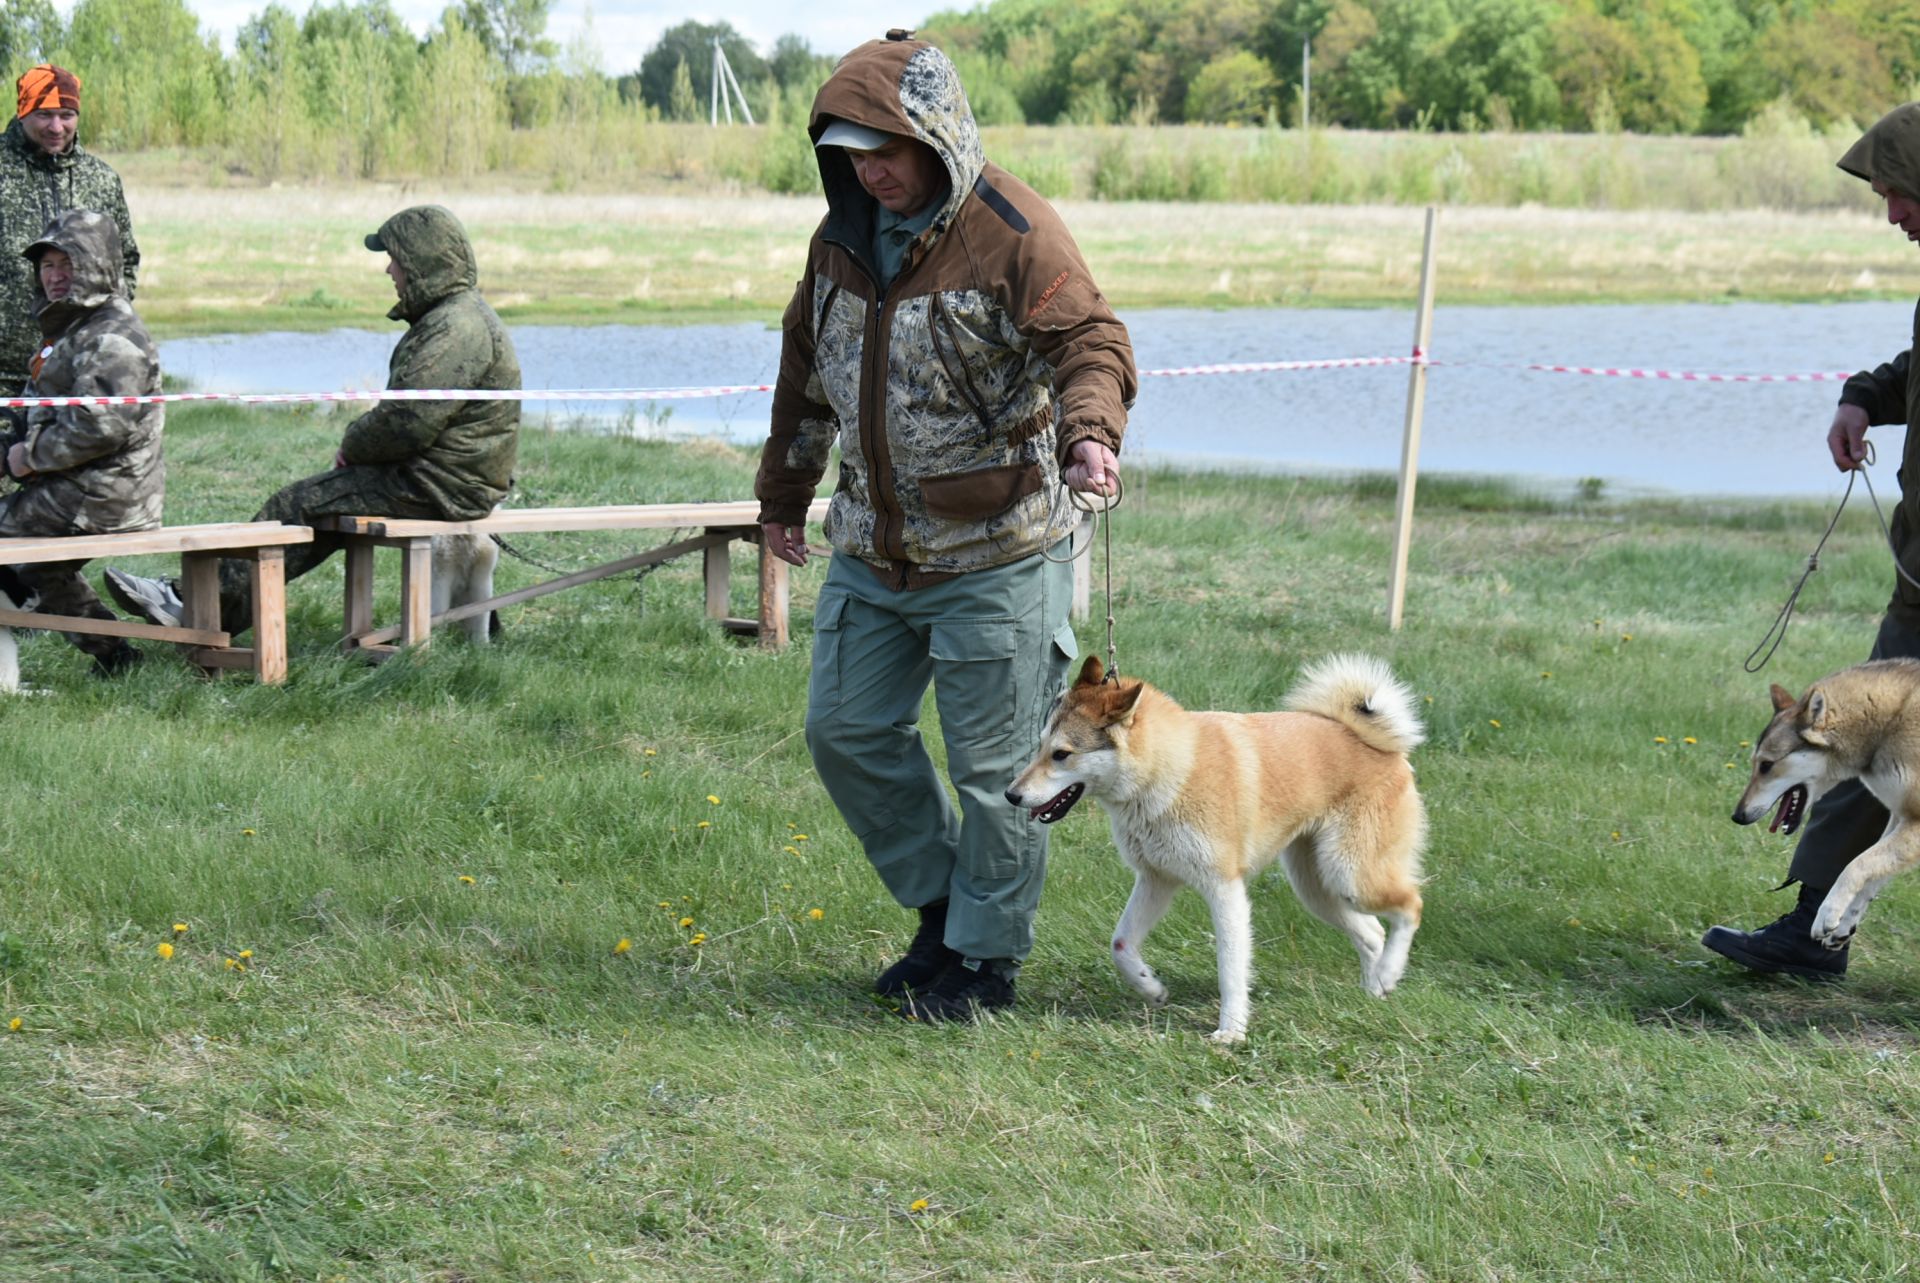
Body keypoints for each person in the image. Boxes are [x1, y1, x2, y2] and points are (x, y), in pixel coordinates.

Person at [756, 30, 1136, 1023]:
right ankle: (941, 914)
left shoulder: (1014, 231)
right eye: (849, 151)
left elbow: (1090, 340)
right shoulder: (838, 237)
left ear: (936, 135)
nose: (870, 168)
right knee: (844, 731)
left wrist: (1091, 436)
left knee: (997, 771)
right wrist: (783, 495)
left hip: (1000, 553)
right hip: (874, 549)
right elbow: (806, 372)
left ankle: (984, 961)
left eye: (885, 147)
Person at [1702, 101, 1920, 980]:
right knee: (1847, 742)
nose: (1894, 214)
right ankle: (1809, 931)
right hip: (1919, 583)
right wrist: (1863, 397)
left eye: (1899, 194)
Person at [105, 204, 520, 639]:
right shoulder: (459, 317)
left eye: (395, 258)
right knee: (319, 509)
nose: (388, 269)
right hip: (452, 481)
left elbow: (407, 422)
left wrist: (352, 445)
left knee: (294, 506)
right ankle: (206, 612)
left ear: (421, 261)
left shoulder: (454, 327)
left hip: (441, 487)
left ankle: (193, 604)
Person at [0, 208, 162, 677]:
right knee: (37, 569)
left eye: (67, 265)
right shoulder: (72, 330)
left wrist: (25, 459)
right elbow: (43, 412)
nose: (54, 276)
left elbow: (102, 427)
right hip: (78, 486)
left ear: (97, 266)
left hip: (107, 494)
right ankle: (117, 658)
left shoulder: (114, 336)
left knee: (14, 552)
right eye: (47, 265)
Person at [0, 65, 139, 398]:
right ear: (23, 113)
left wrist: (108, 329)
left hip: (79, 368)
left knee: (69, 449)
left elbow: (126, 262)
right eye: (45, 115)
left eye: (66, 115)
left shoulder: (101, 179)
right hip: (5, 369)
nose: (56, 127)